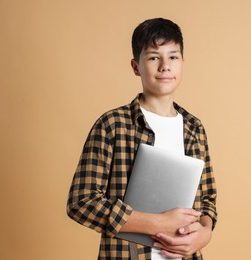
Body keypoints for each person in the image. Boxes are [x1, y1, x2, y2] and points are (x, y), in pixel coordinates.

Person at [67, 17, 217, 260]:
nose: (165, 66)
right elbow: (82, 202)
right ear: (136, 66)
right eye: (154, 57)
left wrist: (205, 233)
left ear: (182, 63)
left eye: (173, 57)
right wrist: (157, 222)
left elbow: (208, 198)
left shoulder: (194, 128)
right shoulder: (112, 125)